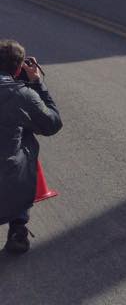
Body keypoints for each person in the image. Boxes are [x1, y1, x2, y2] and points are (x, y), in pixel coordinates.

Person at [0, 40, 62, 254]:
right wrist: (36, 82)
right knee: (23, 146)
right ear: (18, 68)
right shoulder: (22, 95)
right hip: (8, 185)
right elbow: (52, 124)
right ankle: (18, 226)